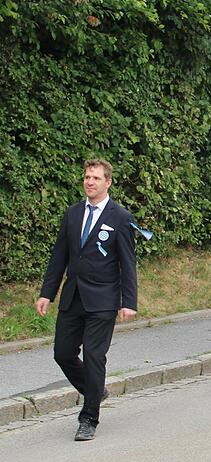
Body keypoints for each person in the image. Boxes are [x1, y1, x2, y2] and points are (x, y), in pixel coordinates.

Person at [36, 158, 138, 441]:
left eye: (95, 178)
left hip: (103, 299)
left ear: (108, 182)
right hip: (73, 296)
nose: (89, 182)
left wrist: (128, 301)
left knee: (94, 356)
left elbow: (128, 263)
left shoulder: (121, 217)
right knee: (63, 353)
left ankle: (89, 417)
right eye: (87, 177)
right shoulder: (72, 214)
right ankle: (95, 391)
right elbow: (59, 256)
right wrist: (47, 293)